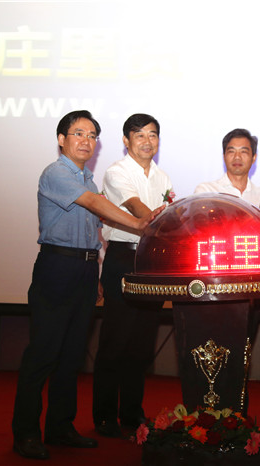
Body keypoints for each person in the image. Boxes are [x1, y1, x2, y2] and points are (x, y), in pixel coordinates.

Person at [12, 110, 161, 460]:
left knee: (72, 356)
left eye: (92, 135)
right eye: (79, 133)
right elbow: (95, 204)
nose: (86, 141)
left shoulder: (89, 179)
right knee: (43, 354)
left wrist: (94, 274)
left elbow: (94, 230)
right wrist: (140, 224)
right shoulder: (57, 173)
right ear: (61, 140)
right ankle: (26, 433)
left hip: (84, 269)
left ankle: (60, 427)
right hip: (57, 266)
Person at [92, 113, 173, 438]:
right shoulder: (117, 172)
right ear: (126, 140)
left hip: (152, 262)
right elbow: (139, 209)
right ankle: (104, 416)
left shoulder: (163, 177)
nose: (147, 141)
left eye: (152, 135)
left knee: (141, 343)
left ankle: (132, 413)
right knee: (116, 340)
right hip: (124, 259)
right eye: (139, 135)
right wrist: (163, 220)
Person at [194, 128, 260, 210]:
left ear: (254, 158)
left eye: (243, 151)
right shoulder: (206, 192)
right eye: (231, 151)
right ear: (224, 156)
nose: (237, 157)